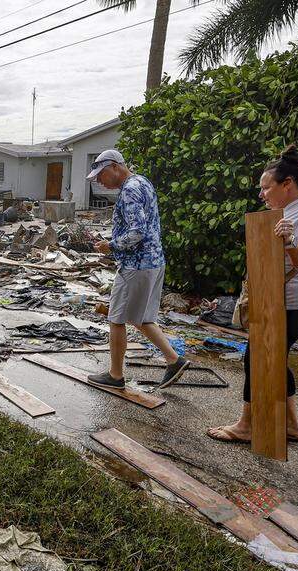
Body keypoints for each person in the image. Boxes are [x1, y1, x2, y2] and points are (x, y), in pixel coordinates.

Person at [208, 145, 298, 443]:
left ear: (287, 184)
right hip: (278, 298)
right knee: (274, 359)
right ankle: (289, 425)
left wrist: (288, 242)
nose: (262, 194)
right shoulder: (284, 211)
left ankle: (247, 425)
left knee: (258, 357)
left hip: (295, 302)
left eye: (266, 187)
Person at [86, 149, 190, 390]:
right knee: (142, 318)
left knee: (116, 317)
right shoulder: (142, 182)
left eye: (101, 175)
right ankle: (175, 360)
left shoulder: (130, 190)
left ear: (114, 166)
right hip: (153, 261)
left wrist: (110, 246)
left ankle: (115, 375)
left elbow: (137, 231)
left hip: (136, 264)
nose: (100, 182)